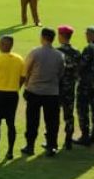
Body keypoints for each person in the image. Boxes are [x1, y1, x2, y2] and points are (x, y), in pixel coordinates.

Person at [21, 27, 65, 156]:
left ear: (42, 37)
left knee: (32, 120)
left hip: (34, 90)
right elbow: (61, 73)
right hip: (52, 92)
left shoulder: (35, 52)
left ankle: (30, 146)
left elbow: (26, 70)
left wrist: (26, 85)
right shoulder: (59, 55)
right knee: (52, 121)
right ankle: (51, 145)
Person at [76, 26, 94, 145]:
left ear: (93, 35)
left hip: (86, 85)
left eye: (87, 33)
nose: (86, 35)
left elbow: (81, 65)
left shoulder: (89, 49)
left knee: (83, 110)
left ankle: (85, 136)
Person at [55, 25, 81, 149]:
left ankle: (51, 141)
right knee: (69, 115)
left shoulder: (57, 52)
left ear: (61, 36)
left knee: (53, 115)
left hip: (56, 88)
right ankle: (68, 140)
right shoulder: (76, 52)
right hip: (70, 87)